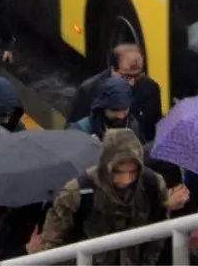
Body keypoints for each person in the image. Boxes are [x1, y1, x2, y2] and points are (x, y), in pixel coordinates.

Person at [39, 128, 169, 266]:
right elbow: (52, 246)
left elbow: (158, 234)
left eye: (132, 172)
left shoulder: (152, 185)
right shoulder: (76, 193)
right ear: (106, 166)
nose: (126, 180)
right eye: (118, 172)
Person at [69, 44, 163, 144]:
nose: (132, 82)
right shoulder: (89, 91)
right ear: (113, 69)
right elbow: (73, 134)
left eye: (138, 75)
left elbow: (153, 131)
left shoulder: (150, 89)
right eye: (127, 76)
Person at [68, 76, 146, 142]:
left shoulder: (133, 125)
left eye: (125, 109)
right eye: (115, 110)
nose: (120, 116)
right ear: (102, 108)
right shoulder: (81, 130)